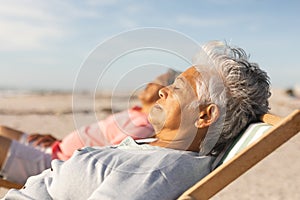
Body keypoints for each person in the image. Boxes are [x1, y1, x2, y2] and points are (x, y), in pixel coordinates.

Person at [2, 41, 270, 200]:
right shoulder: (158, 149)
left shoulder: (155, 172)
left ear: (205, 115)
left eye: (176, 88)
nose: (162, 90)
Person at [0, 69, 180, 184]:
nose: (149, 83)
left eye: (159, 81)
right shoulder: (135, 113)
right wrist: (62, 142)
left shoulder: (143, 127)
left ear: (165, 93)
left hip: (52, 164)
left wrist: (65, 151)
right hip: (55, 148)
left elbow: (107, 161)